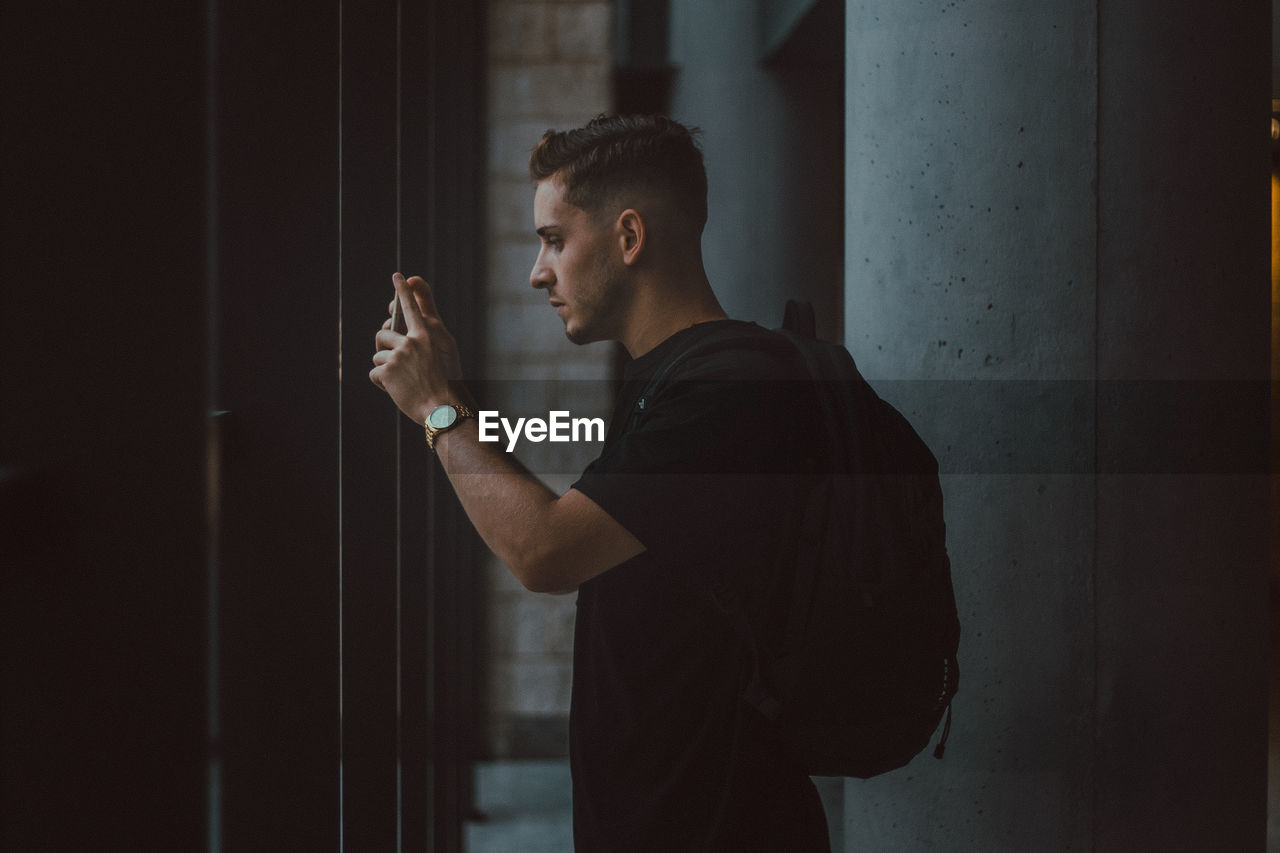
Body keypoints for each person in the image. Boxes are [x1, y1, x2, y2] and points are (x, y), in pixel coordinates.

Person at [370, 114, 830, 851]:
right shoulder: (678, 381)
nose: (537, 271)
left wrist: (437, 407)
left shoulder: (726, 394)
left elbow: (544, 551)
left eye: (555, 238)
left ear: (628, 237)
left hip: (716, 828)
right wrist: (455, 399)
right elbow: (567, 520)